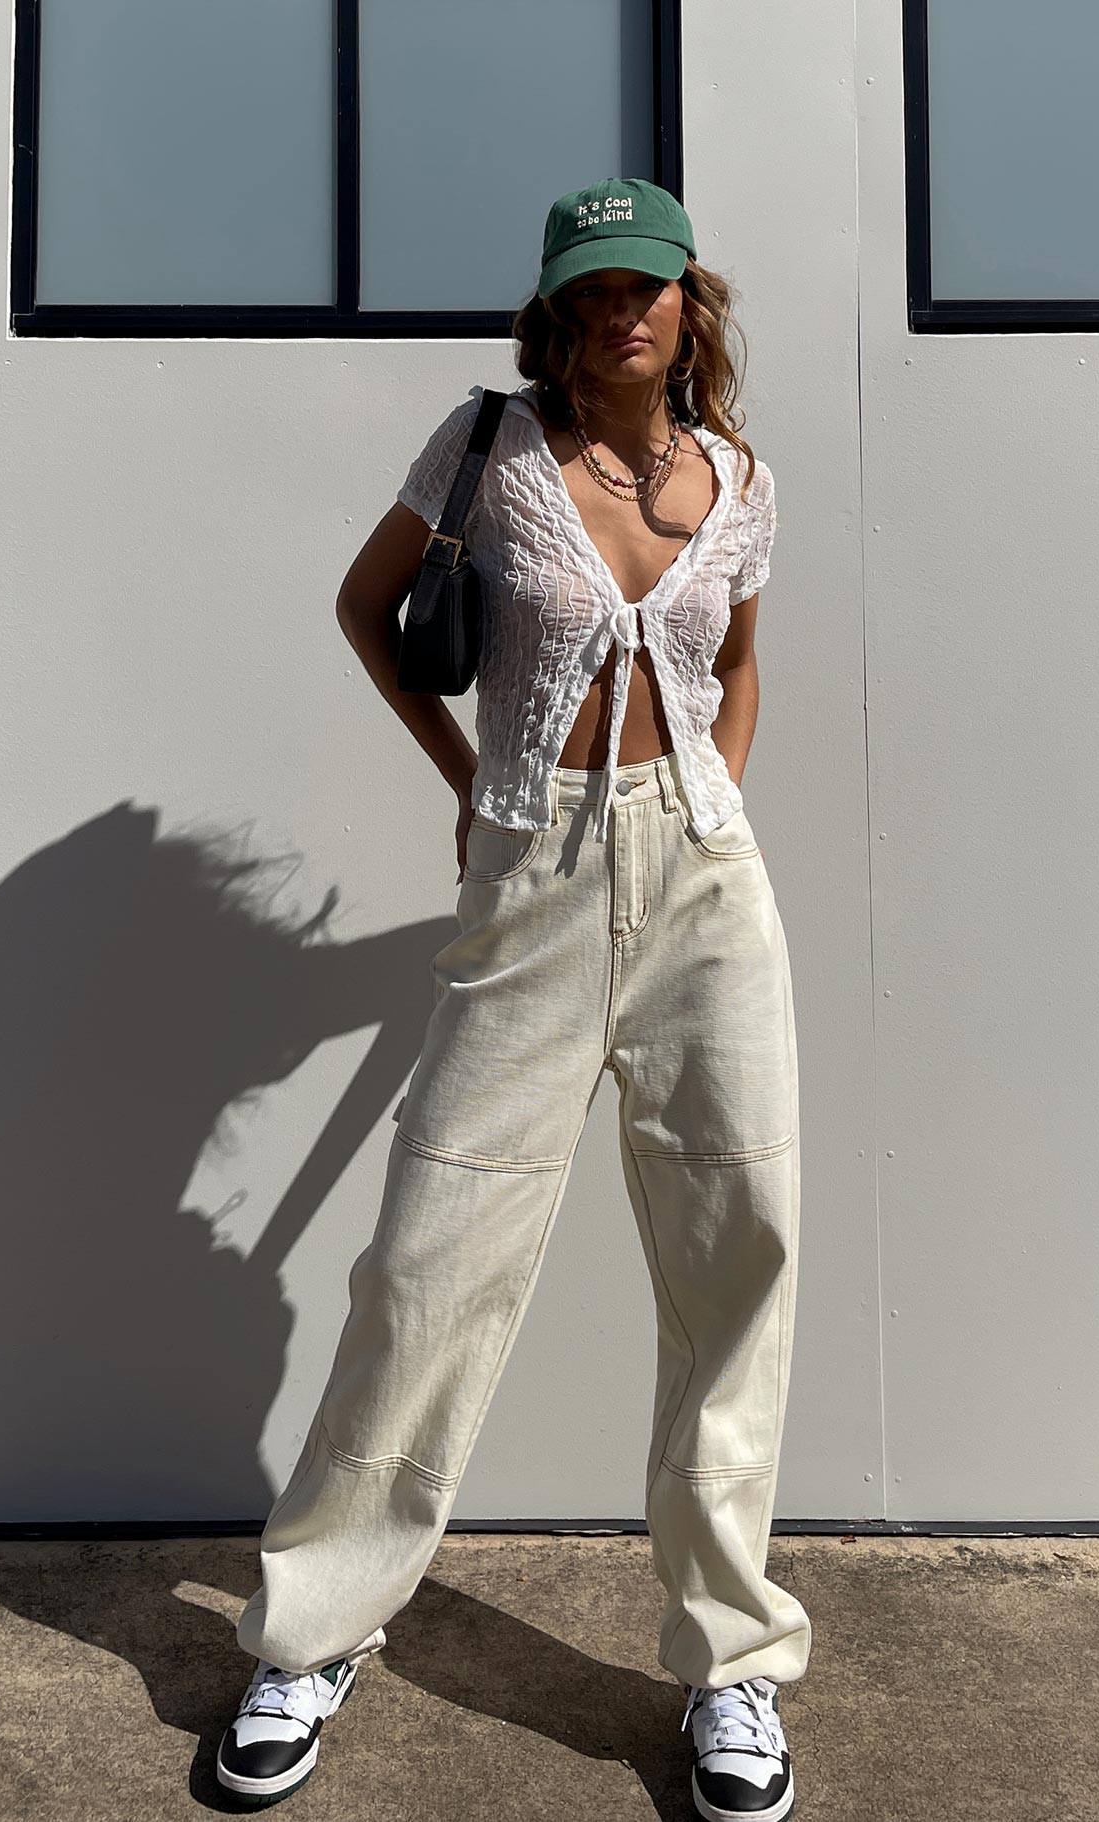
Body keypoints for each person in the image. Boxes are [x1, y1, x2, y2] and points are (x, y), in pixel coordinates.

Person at [216, 176, 809, 1822]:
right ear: (554, 312)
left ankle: (731, 1664)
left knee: (738, 1254)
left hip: (706, 884)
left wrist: (713, 803)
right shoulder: (484, 450)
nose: (619, 312)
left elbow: (733, 663)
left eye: (643, 285)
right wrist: (477, 788)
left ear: (686, 300)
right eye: (588, 290)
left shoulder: (741, 481)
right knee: (430, 1261)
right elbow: (370, 611)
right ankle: (311, 1630)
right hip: (532, 866)